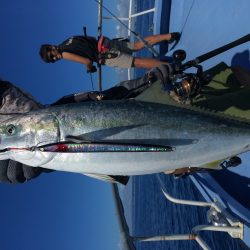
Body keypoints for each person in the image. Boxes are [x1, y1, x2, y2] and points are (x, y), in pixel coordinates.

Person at [39, 33, 180, 72]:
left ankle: (172, 67)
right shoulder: (69, 39)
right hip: (107, 42)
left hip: (106, 55)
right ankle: (168, 36)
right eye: (52, 60)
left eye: (51, 55)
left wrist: (89, 68)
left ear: (51, 47)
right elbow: (89, 41)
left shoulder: (64, 53)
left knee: (137, 63)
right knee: (137, 45)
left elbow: (87, 61)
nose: (54, 58)